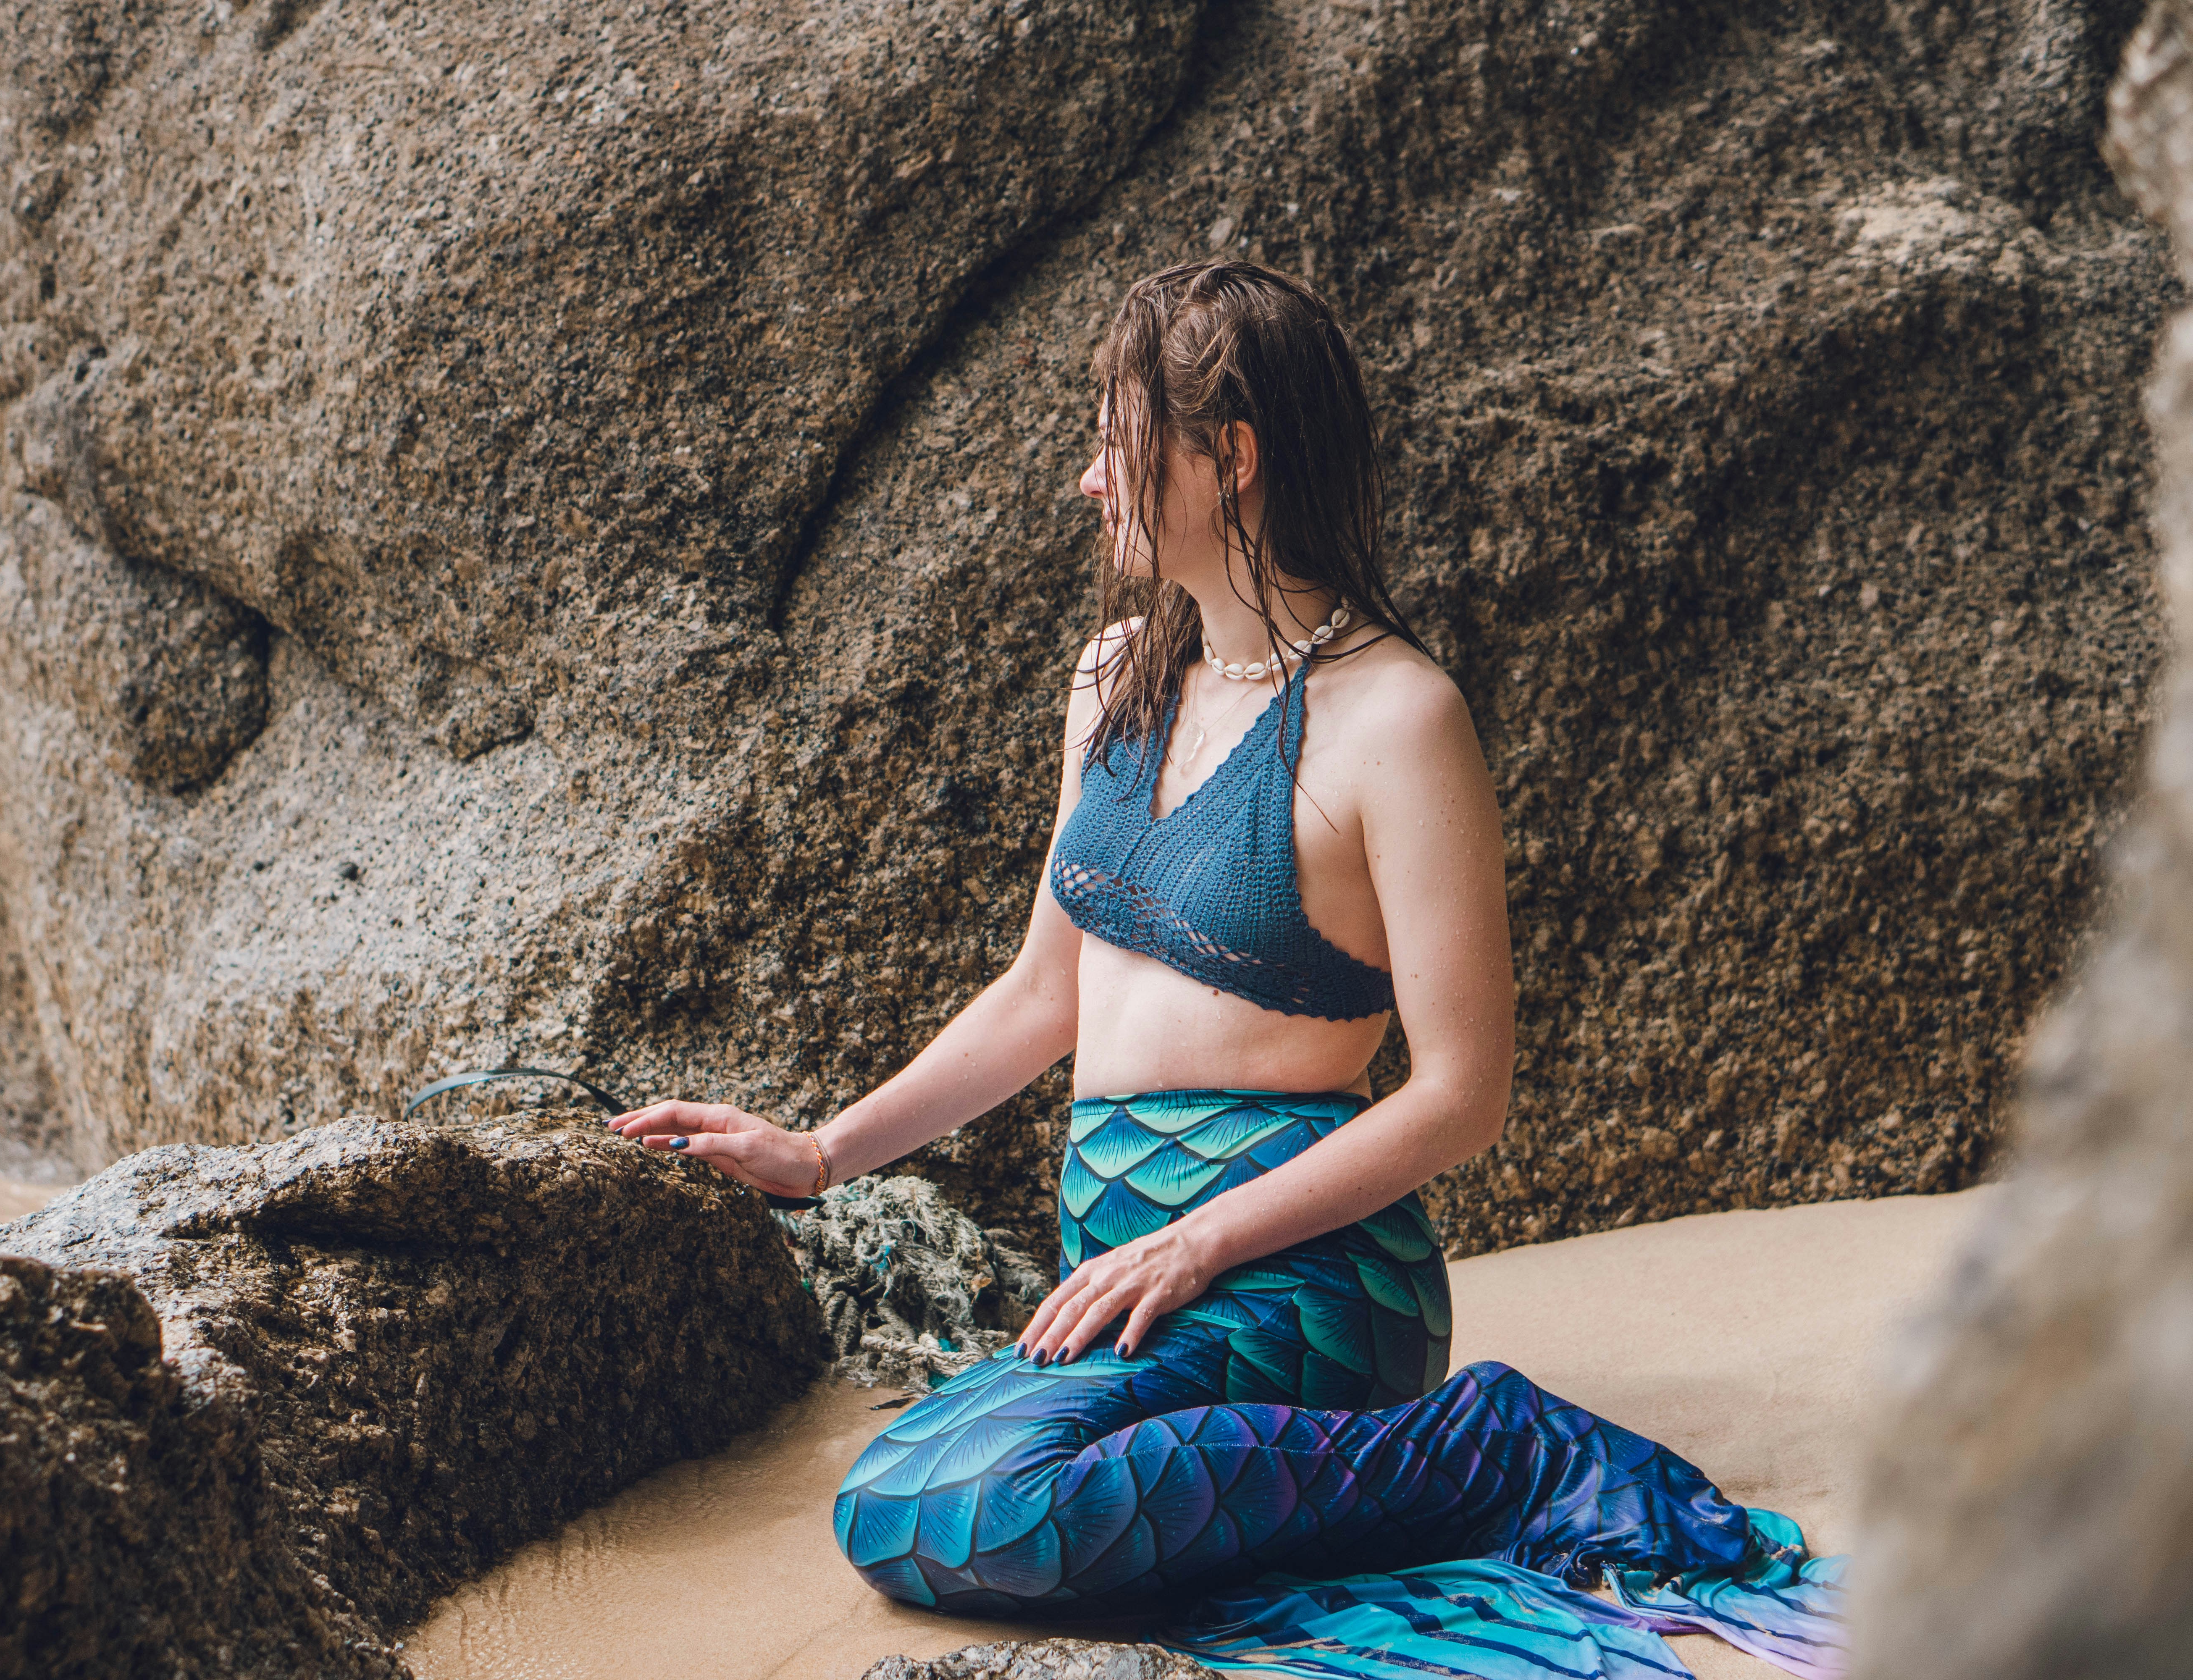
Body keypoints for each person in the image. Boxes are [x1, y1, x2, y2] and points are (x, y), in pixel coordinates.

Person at [608, 261, 1843, 1680]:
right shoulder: (1115, 676)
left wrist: (1203, 1241)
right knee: (893, 1500)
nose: (1086, 481)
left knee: (972, 1511)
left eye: (1115, 437)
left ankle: (1489, 1450)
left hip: (1305, 1283)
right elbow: (1044, 995)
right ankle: (1357, 1474)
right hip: (1130, 1276)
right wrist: (821, 1154)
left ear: (1230, 458)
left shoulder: (1399, 719)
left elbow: (1463, 1095)